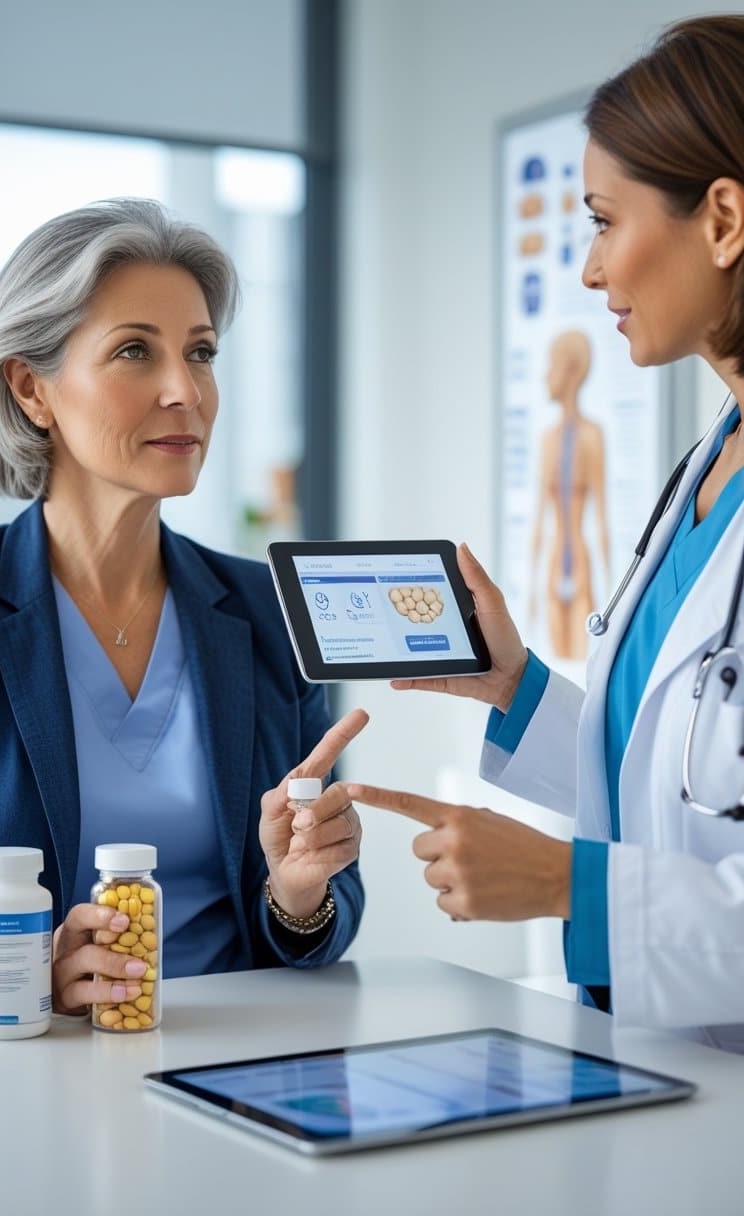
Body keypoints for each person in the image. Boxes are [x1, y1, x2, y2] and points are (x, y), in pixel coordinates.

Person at [349, 15, 744, 1051]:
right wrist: (517, 687)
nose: (589, 270)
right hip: (663, 1071)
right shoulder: (710, 465)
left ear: (723, 219)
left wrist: (569, 885)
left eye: (605, 222)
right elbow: (684, 784)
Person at [0, 198, 365, 1015]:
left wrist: (297, 895)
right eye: (134, 351)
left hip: (240, 1055)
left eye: (201, 353)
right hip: (26, 1059)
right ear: (31, 388)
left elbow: (324, 905)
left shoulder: (268, 611)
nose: (184, 391)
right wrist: (17, 963)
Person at [530, 330, 609, 660]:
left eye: (553, 366)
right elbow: (539, 520)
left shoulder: (592, 436)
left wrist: (613, 592)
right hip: (552, 567)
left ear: (573, 370)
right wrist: (530, 590)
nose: (546, 376)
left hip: (579, 564)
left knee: (581, 663)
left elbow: (602, 517)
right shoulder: (548, 440)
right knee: (557, 664)